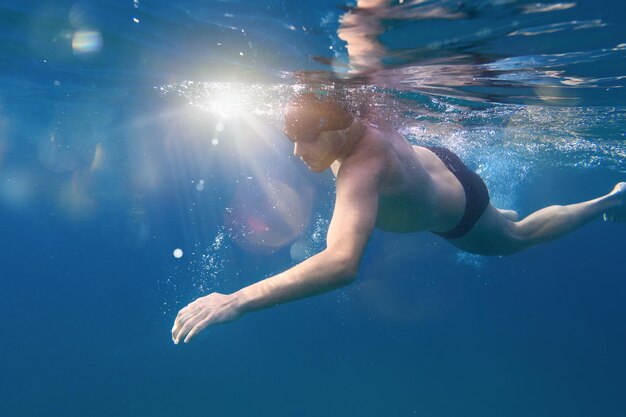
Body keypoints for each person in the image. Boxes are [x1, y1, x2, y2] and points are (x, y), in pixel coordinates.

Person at [171, 92, 625, 345]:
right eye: (290, 136)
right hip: (438, 165)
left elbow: (342, 263)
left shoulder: (362, 171)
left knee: (516, 236)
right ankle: (494, 212)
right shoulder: (353, 113)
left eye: (307, 138)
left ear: (339, 126)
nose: (296, 150)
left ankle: (610, 199)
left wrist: (238, 300)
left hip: (458, 212)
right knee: (482, 218)